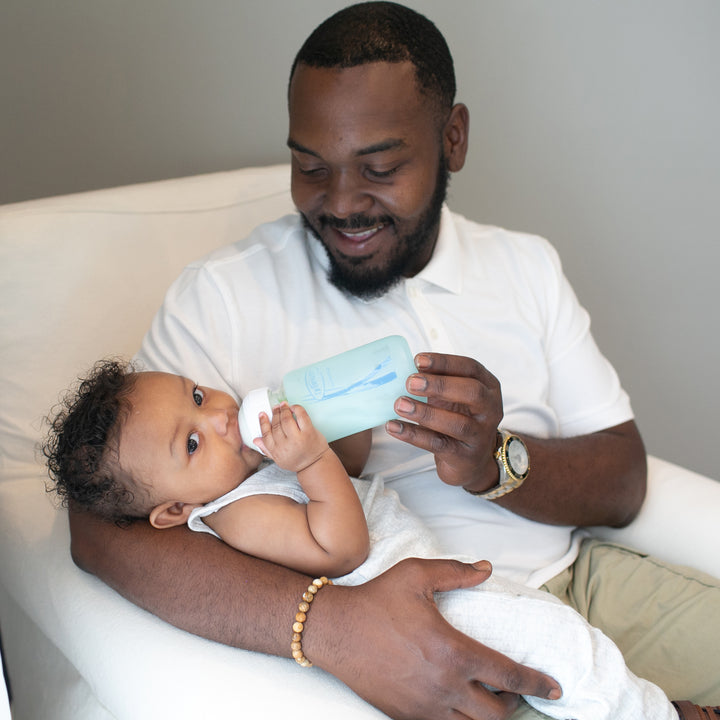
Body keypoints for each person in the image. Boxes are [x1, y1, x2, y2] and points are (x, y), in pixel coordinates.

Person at [67, 4, 720, 720]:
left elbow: (622, 477)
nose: (342, 203)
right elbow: (103, 528)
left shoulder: (523, 267)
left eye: (379, 167)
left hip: (582, 579)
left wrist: (493, 465)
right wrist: (333, 629)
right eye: (310, 167)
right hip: (435, 628)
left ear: (452, 138)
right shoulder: (220, 296)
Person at [44, 359, 680, 720]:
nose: (217, 416)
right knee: (559, 644)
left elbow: (350, 462)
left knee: (549, 636)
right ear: (175, 509)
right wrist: (311, 457)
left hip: (434, 579)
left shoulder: (254, 463)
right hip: (417, 608)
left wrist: (329, 422)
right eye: (191, 442)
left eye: (198, 394)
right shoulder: (236, 514)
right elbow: (338, 546)